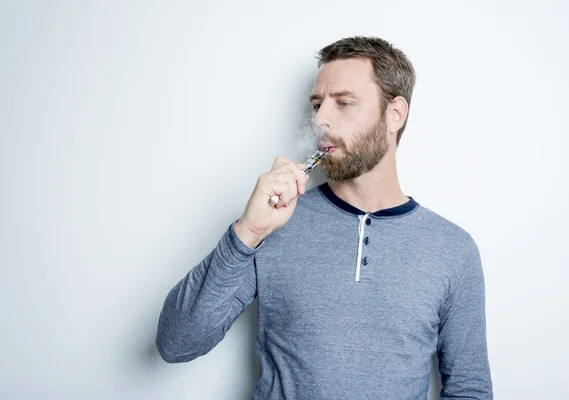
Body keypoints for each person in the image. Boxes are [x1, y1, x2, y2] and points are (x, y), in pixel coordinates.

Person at [156, 36, 493, 400]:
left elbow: (469, 389)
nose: (321, 120)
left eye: (343, 103)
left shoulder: (452, 250)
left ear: (394, 114)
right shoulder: (275, 224)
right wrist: (247, 233)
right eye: (317, 105)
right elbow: (176, 345)